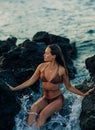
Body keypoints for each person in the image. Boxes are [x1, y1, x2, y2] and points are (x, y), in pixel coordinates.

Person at [9, 44, 94, 128]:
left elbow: (69, 87)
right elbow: (30, 81)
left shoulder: (61, 70)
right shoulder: (41, 67)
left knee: (42, 115)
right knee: (33, 108)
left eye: (46, 53)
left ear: (54, 56)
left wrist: (84, 94)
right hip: (45, 98)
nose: (44, 55)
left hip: (57, 100)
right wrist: (14, 89)